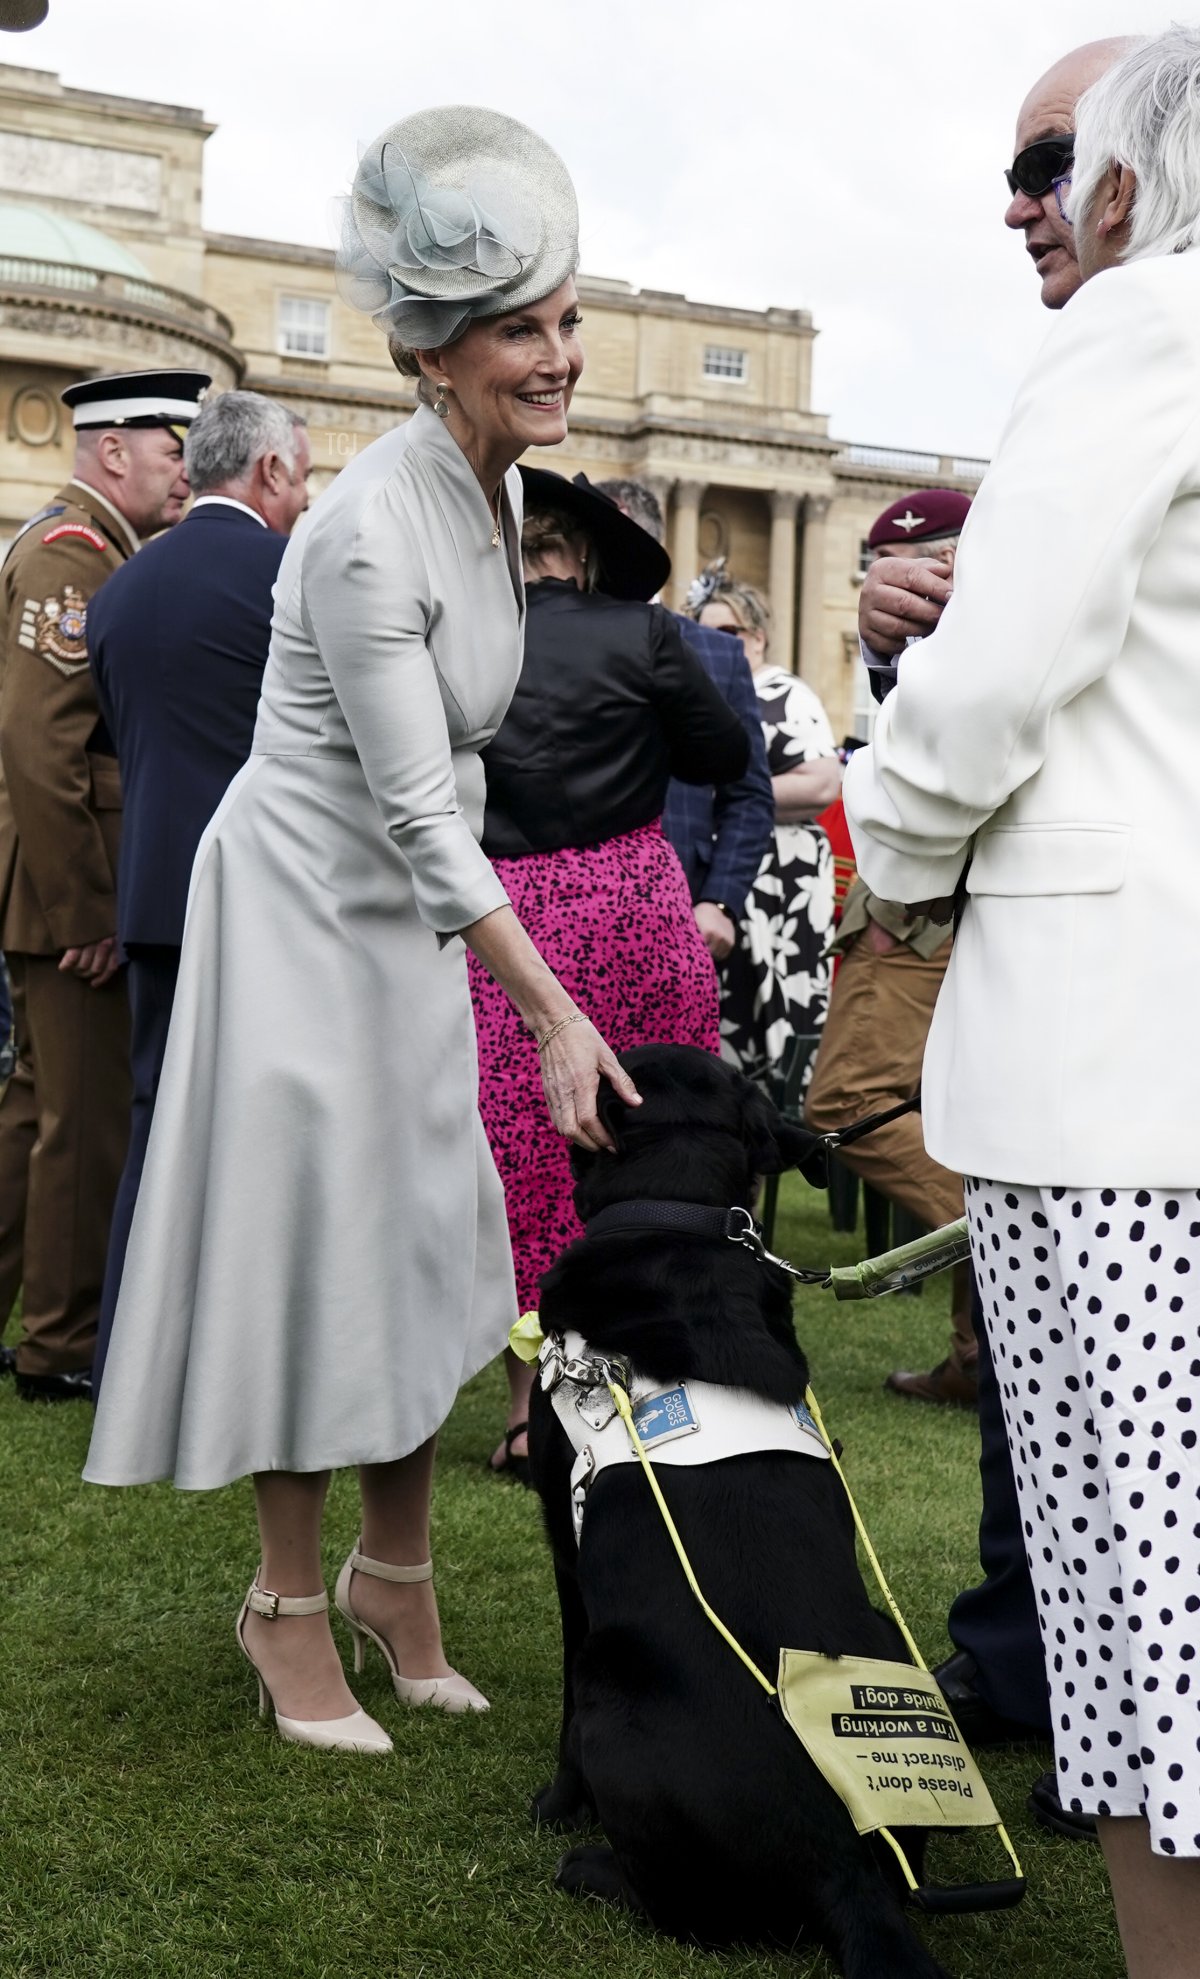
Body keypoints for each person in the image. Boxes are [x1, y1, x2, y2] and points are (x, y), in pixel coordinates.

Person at [85, 106, 641, 1757]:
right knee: (317, 1240)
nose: (558, 352)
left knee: (421, 1231)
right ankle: (282, 1597)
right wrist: (550, 1010)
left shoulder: (503, 487)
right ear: (434, 353)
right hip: (307, 908)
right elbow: (410, 800)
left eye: (562, 316)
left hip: (407, 908)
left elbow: (452, 782)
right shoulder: (359, 527)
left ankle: (397, 1575)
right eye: (521, 328)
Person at [844, 30, 1200, 1973]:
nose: (1027, 202)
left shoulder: (1144, 328)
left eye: (1054, 160)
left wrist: (883, 838)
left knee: (1150, 1626)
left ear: (1134, 184)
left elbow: (991, 695)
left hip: (1122, 1087)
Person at [470, 469, 749, 1480]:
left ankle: (525, 1414)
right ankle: (656, 1389)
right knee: (653, 1129)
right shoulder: (644, 634)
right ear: (583, 555)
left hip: (507, 917)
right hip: (631, 899)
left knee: (524, 1153)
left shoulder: (465, 639)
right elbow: (722, 752)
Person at [88, 391, 312, 1396]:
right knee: (271, 1133)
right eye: (301, 478)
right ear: (267, 471)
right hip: (271, 898)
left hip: (152, 897)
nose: (305, 501)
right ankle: (251, 1363)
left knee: (154, 1119)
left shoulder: (121, 588)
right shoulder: (291, 578)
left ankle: (134, 1357)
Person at [0, 367, 208, 1402]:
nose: (183, 474)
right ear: (112, 449)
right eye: (172, 451)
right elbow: (44, 753)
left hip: (56, 884)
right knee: (82, 1126)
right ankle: (63, 1343)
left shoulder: (95, 552)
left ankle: (36, 1315)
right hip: (65, 891)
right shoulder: (70, 558)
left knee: (37, 1113)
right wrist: (88, 912)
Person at [806, 490, 977, 1408]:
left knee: (851, 1102)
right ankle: (979, 1353)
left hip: (927, 902)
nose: (924, 580)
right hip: (925, 896)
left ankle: (1017, 1257)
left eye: (947, 558)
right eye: (906, 566)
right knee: (960, 1120)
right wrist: (882, 655)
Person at [592, 477, 774, 965]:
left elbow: (749, 794)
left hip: (683, 909)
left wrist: (719, 902)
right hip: (560, 913)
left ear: (646, 543)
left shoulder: (718, 652)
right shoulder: (536, 638)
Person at [688, 566, 841, 1087]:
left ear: (757, 636)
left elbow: (822, 783)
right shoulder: (697, 692)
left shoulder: (783, 693)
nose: (715, 643)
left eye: (727, 632)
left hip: (784, 874)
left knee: (777, 1002)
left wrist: (727, 801)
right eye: (704, 631)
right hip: (730, 873)